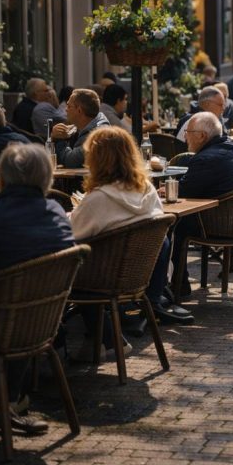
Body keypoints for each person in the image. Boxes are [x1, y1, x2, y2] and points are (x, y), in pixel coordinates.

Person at [70, 127, 191, 324]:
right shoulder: (147, 190)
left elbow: (72, 236)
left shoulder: (99, 199)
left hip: (101, 278)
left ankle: (97, 338)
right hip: (141, 275)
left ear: (96, 159)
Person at [0, 143, 74, 437]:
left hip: (3, 324)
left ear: (1, 179)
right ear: (47, 179)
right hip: (41, 325)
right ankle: (9, 402)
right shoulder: (57, 215)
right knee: (15, 307)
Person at [170, 112, 233, 295]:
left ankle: (177, 286)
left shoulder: (205, 159)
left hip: (219, 223)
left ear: (202, 136)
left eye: (188, 131)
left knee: (172, 225)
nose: (184, 136)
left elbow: (183, 192)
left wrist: (166, 190)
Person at [51, 89, 109, 168]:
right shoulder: (79, 128)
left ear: (79, 110)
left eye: (69, 106)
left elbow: (71, 161)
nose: (66, 109)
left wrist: (60, 139)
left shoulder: (97, 134)